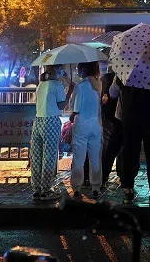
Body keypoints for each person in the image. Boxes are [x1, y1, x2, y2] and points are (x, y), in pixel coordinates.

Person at [119, 85, 150, 206]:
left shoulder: (126, 78)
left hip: (130, 120)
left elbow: (114, 93)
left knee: (130, 153)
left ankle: (128, 190)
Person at [30, 65, 70, 201]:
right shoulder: (57, 85)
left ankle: (36, 189)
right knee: (49, 156)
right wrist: (69, 92)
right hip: (51, 122)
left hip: (38, 121)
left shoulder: (41, 84)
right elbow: (61, 105)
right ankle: (46, 190)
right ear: (56, 71)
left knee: (36, 156)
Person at [71, 62, 103, 198]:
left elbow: (75, 107)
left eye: (79, 68)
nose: (78, 70)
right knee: (95, 158)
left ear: (84, 69)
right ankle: (96, 187)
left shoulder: (81, 86)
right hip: (96, 125)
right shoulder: (98, 84)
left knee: (79, 157)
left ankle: (77, 188)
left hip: (82, 125)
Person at [101, 69, 123, 185]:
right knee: (125, 149)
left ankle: (104, 176)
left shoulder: (111, 78)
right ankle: (124, 177)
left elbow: (111, 94)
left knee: (111, 148)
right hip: (127, 118)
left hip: (115, 117)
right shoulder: (137, 77)